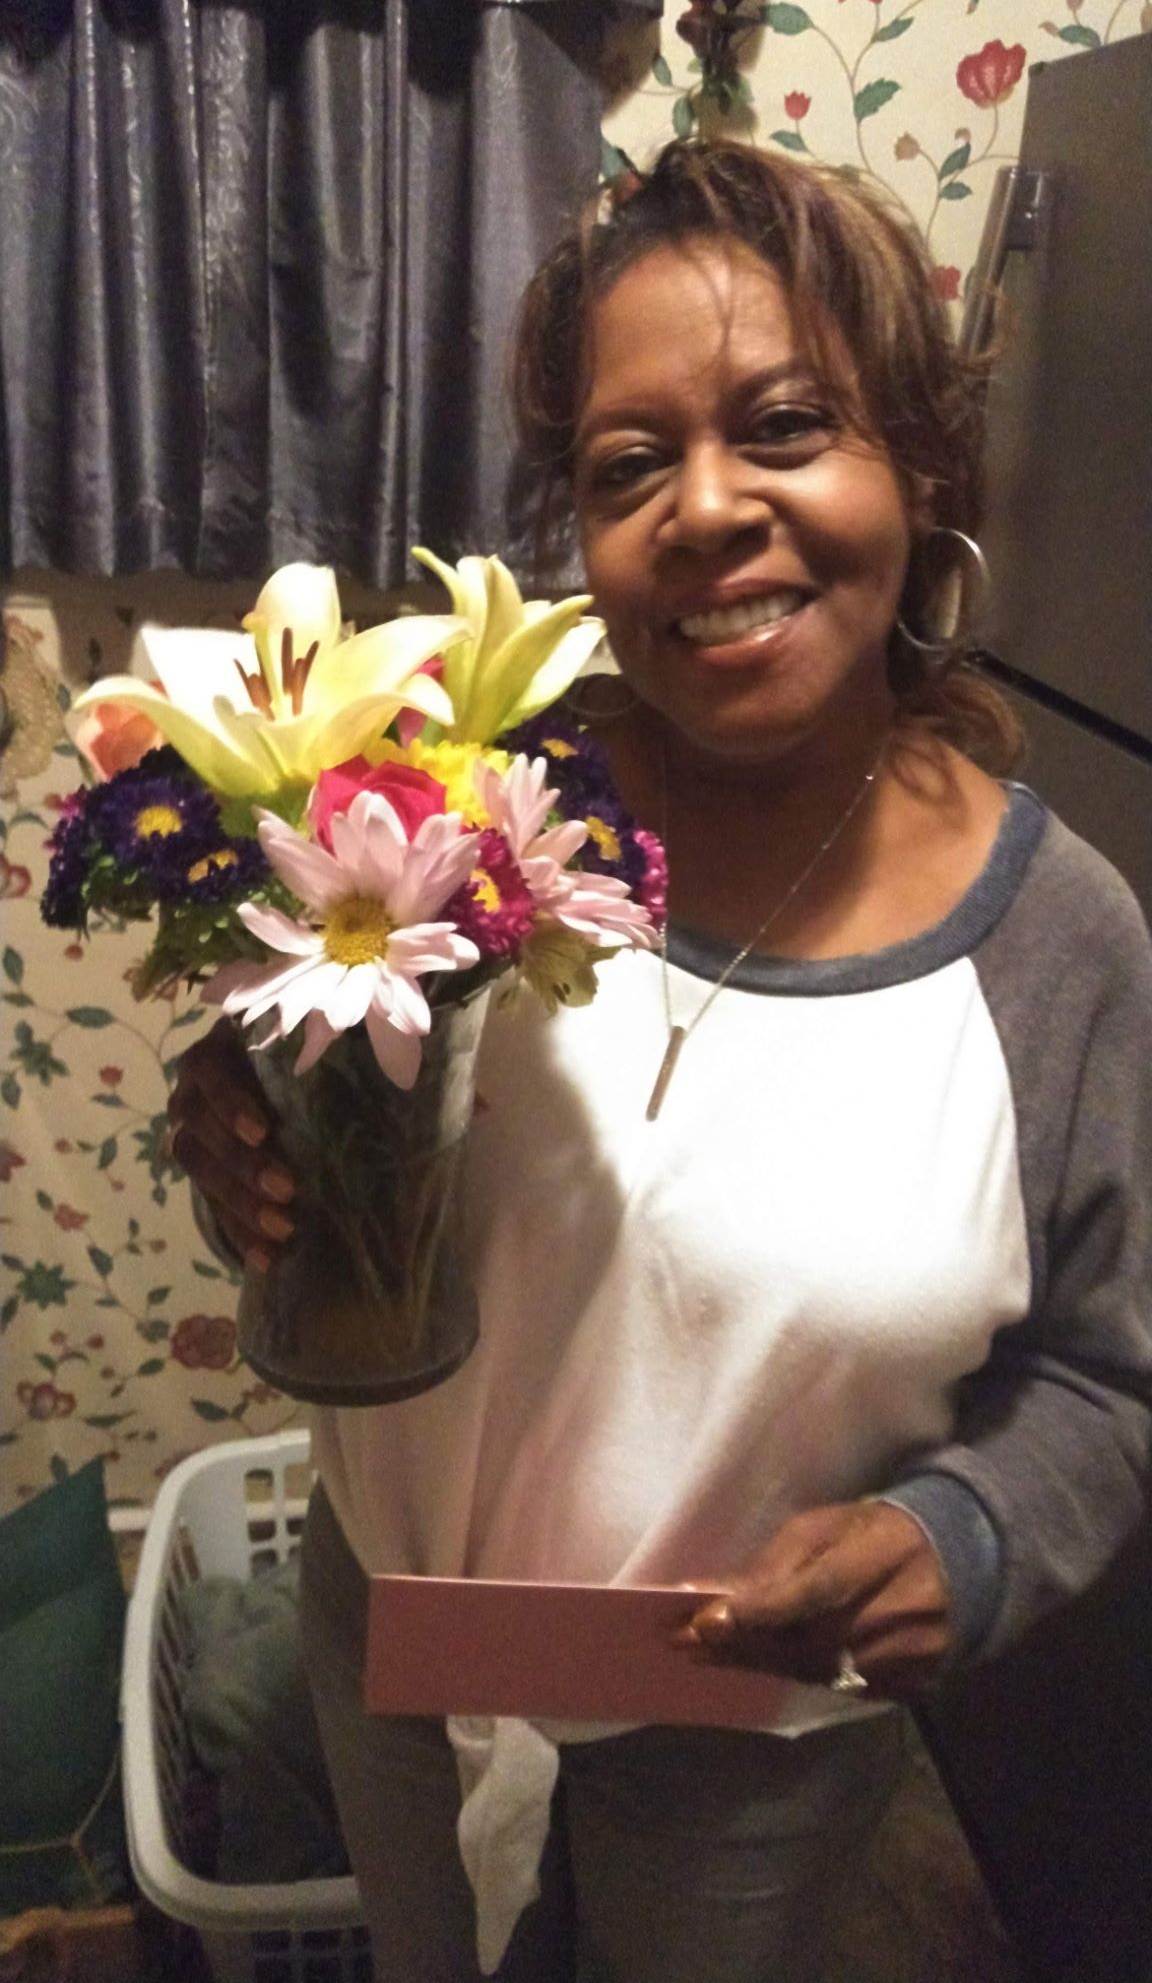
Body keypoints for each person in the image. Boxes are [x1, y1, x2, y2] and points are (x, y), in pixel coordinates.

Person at [168, 139, 1152, 1982]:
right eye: (630, 466)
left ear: (920, 470)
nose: (705, 509)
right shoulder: (462, 818)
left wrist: (969, 1536)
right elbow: (340, 1167)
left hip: (754, 1740)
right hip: (405, 1651)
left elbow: (1110, 1381)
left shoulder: (1061, 945)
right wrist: (240, 1136)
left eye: (785, 427)